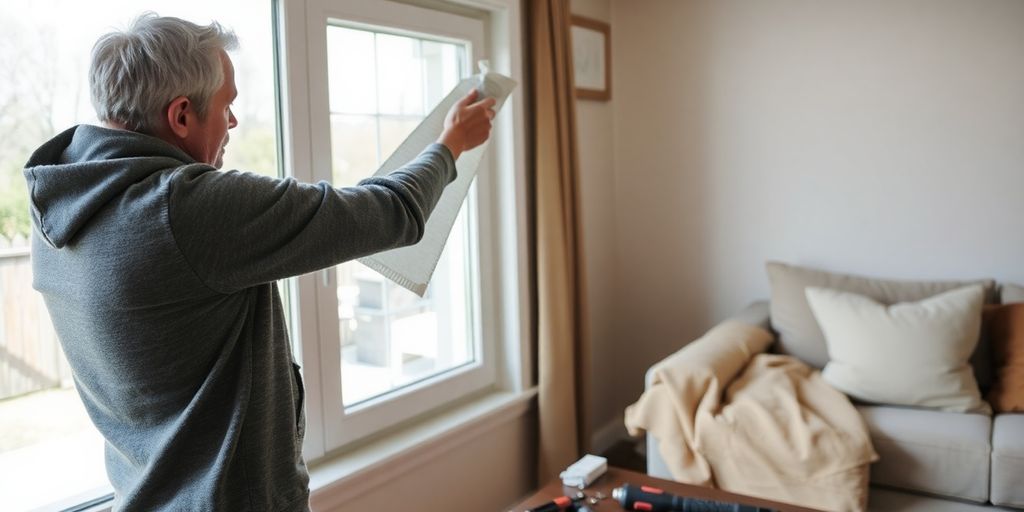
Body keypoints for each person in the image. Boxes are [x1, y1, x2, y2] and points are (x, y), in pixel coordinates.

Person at [22, 13, 495, 512]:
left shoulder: (60, 209)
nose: (232, 122)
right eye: (228, 105)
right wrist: (451, 144)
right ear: (181, 115)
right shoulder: (184, 209)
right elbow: (391, 211)